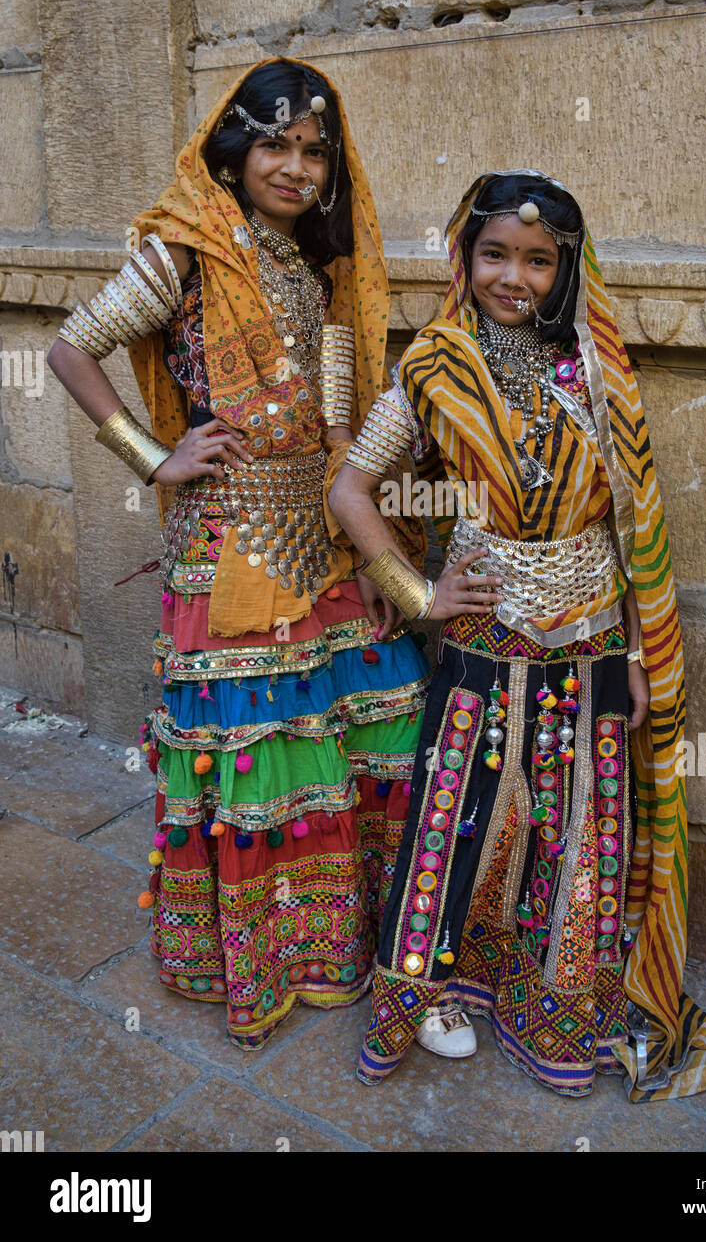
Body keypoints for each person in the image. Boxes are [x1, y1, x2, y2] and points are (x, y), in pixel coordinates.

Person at [47, 58, 432, 1051]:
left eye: (315, 150)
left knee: (367, 731)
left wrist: (388, 551)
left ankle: (341, 944)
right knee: (259, 758)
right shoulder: (187, 248)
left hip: (326, 537)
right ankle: (256, 956)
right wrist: (153, 456)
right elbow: (70, 348)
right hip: (231, 549)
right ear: (234, 149)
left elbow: (343, 425)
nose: (296, 167)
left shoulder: (324, 270)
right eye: (274, 143)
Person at [329, 170, 706, 1099]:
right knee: (457, 824)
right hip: (482, 638)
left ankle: (554, 1004)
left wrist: (637, 651)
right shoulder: (432, 362)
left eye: (538, 260)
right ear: (462, 258)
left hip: (591, 642)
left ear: (566, 268)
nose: (515, 276)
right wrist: (414, 588)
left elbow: (631, 519)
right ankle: (427, 995)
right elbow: (350, 487)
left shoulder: (594, 366)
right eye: (494, 255)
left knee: (572, 829)